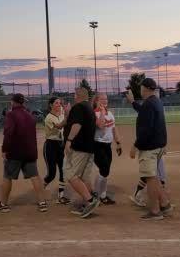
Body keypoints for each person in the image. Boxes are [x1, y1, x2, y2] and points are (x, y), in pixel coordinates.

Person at [125, 78, 172, 220]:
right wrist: (133, 102)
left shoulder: (149, 104)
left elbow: (146, 130)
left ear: (144, 88)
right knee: (154, 177)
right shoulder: (155, 101)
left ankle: (155, 211)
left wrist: (135, 146)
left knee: (150, 178)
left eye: (141, 87)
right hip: (158, 146)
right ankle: (165, 204)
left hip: (149, 148)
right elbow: (144, 113)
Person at [0, 94, 48, 213]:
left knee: (7, 177)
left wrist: (4, 149)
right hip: (30, 151)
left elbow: (8, 133)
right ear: (23, 103)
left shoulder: (11, 114)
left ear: (13, 102)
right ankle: (42, 202)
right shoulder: (30, 116)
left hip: (15, 151)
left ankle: (3, 204)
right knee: (35, 176)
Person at [61, 87, 100, 218]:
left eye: (74, 95)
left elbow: (77, 125)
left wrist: (69, 140)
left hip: (79, 148)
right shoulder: (88, 107)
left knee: (71, 175)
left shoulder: (78, 107)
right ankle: (86, 202)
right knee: (83, 177)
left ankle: (90, 201)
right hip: (89, 148)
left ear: (77, 96)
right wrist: (68, 114)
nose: (73, 97)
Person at [93, 93, 123, 205]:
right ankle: (97, 194)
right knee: (104, 169)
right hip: (98, 145)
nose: (105, 101)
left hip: (108, 146)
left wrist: (118, 143)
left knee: (105, 171)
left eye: (106, 99)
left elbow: (114, 130)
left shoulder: (110, 113)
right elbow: (100, 126)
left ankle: (101, 195)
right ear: (97, 101)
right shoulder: (95, 114)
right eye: (102, 99)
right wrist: (101, 112)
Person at [43, 97, 70, 204]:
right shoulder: (49, 117)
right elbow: (59, 126)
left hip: (61, 145)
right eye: (56, 103)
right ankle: (40, 190)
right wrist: (67, 116)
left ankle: (61, 196)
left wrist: (67, 112)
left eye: (60, 103)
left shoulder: (62, 113)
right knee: (52, 174)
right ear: (51, 105)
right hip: (50, 146)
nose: (59, 104)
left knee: (63, 170)